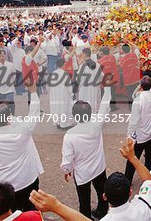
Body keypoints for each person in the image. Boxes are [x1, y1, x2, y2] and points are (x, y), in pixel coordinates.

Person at [0, 82, 43, 212]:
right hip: (28, 178)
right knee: (31, 208)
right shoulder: (22, 130)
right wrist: (33, 93)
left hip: (8, 184)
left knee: (13, 212)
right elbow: (34, 114)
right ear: (9, 117)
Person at [61, 87, 112, 219]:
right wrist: (107, 88)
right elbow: (105, 105)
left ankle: (86, 217)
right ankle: (102, 211)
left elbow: (67, 158)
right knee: (102, 191)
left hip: (82, 174)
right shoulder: (97, 123)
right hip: (99, 167)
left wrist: (67, 170)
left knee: (84, 200)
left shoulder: (70, 135)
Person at [125, 56, 151, 183]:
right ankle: (148, 177)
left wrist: (129, 137)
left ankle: (127, 180)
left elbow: (133, 122)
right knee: (149, 157)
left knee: (133, 159)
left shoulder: (138, 101)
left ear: (141, 86)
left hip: (140, 136)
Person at [100, 137, 151, 220]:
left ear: (104, 196)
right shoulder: (143, 207)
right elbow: (148, 180)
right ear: (130, 192)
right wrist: (132, 157)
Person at [49, 58, 74, 129]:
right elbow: (68, 86)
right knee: (64, 108)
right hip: (63, 94)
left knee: (57, 108)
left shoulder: (53, 73)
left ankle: (58, 123)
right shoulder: (65, 74)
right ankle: (65, 125)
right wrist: (71, 94)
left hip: (55, 95)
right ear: (63, 64)